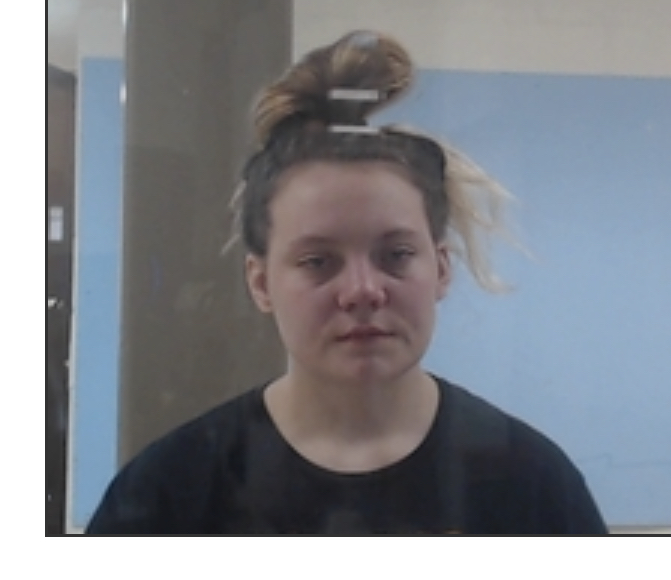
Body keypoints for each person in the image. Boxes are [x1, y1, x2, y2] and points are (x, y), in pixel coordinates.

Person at [86, 30, 607, 535]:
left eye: (395, 255)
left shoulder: (532, 486)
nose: (362, 290)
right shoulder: (169, 494)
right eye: (318, 261)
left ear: (442, 269)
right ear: (260, 283)